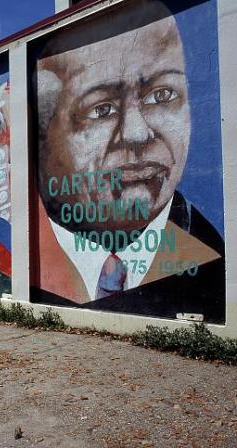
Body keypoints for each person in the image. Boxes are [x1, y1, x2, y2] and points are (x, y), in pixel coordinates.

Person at [33, 0, 225, 323]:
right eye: (101, 109)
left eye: (162, 95)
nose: (137, 134)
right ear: (41, 139)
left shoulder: (215, 262)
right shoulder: (12, 257)